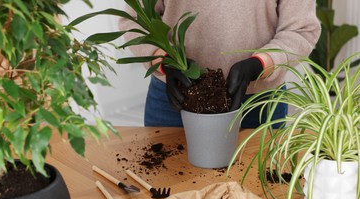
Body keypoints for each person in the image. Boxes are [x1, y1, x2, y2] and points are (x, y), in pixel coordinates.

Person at [119, 0, 321, 128]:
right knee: (164, 191)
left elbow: (301, 30)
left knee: (255, 194)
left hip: (257, 104)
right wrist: (163, 59)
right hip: (174, 99)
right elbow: (136, 20)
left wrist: (260, 64)